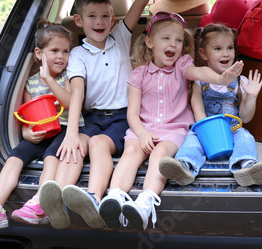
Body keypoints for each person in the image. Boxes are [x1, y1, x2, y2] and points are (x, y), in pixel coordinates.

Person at [38, 0, 171, 229]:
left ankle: (94, 198)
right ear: (78, 20)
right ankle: (56, 201)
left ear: (113, 18)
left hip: (122, 117)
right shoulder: (76, 55)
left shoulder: (122, 36)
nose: (99, 22)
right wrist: (72, 133)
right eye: (92, 16)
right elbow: (77, 94)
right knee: (75, 148)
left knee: (97, 143)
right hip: (91, 118)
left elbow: (139, 0)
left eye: (105, 16)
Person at [97, 12, 243, 231]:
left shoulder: (183, 65)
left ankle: (145, 202)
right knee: (131, 152)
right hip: (143, 128)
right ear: (149, 42)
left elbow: (200, 71)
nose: (173, 44)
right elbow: (132, 115)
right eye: (166, 38)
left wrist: (220, 78)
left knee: (160, 153)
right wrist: (143, 134)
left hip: (174, 129)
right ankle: (115, 196)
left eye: (178, 40)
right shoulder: (138, 74)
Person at [0, 18, 83, 233]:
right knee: (15, 156)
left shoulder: (69, 77)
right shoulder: (30, 82)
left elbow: (70, 102)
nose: (61, 56)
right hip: (40, 132)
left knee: (52, 156)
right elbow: (27, 113)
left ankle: (39, 203)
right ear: (40, 54)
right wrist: (25, 132)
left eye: (66, 51)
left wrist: (49, 80)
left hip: (66, 128)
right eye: (55, 51)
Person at [159, 24, 262, 187]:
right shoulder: (199, 81)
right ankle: (184, 167)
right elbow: (198, 109)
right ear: (203, 53)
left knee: (246, 138)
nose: (226, 53)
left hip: (232, 130)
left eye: (230, 47)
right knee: (191, 141)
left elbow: (245, 117)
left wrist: (251, 97)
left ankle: (247, 168)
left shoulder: (241, 82)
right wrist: (210, 134)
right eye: (218, 48)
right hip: (204, 130)